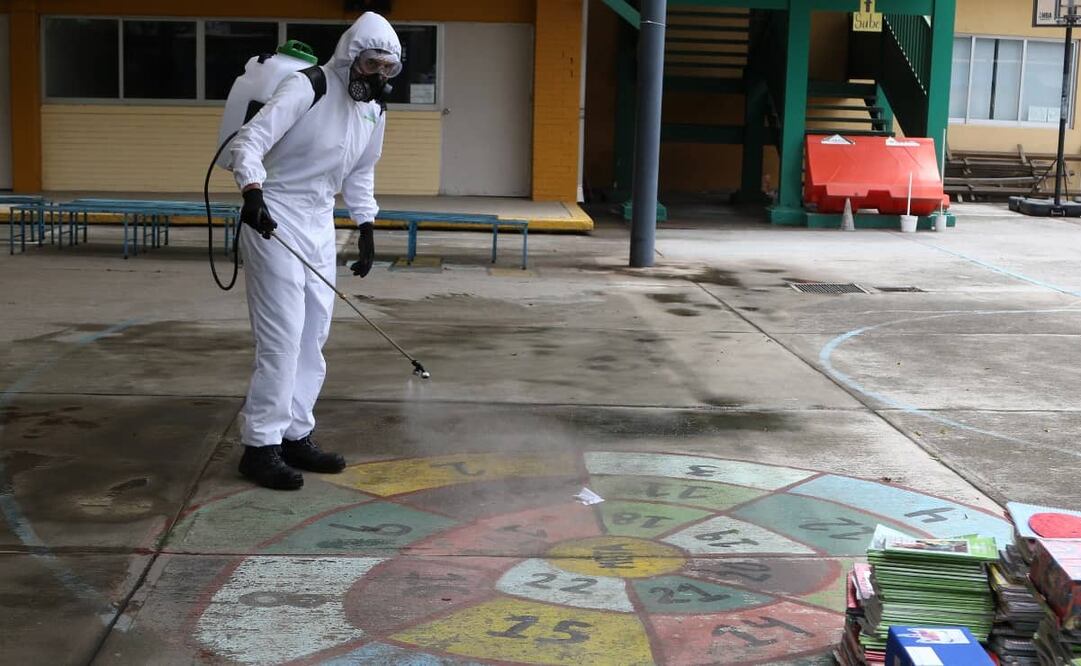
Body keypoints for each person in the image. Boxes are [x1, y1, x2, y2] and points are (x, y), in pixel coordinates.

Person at [229, 13, 402, 490]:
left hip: (320, 221)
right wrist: (252, 192)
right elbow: (251, 141)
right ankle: (259, 446)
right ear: (351, 56)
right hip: (276, 215)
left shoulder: (372, 112)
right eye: (371, 64)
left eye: (387, 69)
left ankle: (294, 434)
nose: (377, 76)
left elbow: (361, 172)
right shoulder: (308, 88)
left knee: (313, 334)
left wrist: (365, 225)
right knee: (282, 336)